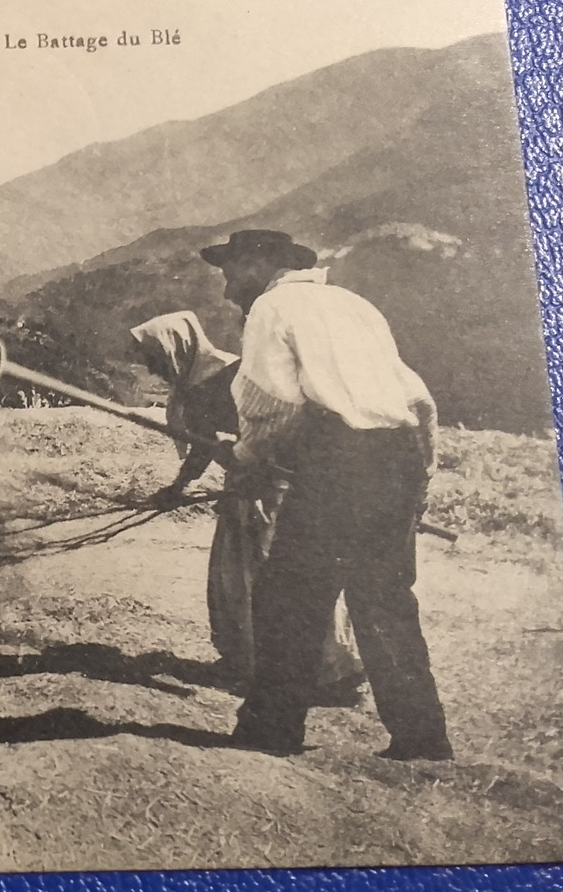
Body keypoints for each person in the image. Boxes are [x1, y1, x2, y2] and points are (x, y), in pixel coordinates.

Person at [197, 229, 450, 761]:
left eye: (229, 272)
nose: (226, 290)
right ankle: (422, 739)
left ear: (257, 263)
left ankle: (271, 731)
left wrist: (244, 458)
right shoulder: (356, 306)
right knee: (384, 600)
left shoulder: (273, 307)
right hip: (397, 460)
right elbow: (419, 399)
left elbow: (272, 405)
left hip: (339, 464)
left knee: (289, 597)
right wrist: (420, 478)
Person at [132, 311, 364, 703]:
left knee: (277, 577)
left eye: (154, 356)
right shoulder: (194, 385)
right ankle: (247, 660)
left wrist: (247, 463)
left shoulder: (233, 374)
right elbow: (204, 447)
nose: (152, 366)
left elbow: (280, 423)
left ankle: (328, 670)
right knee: (235, 578)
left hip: (274, 486)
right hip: (244, 486)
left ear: (175, 348)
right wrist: (178, 487)